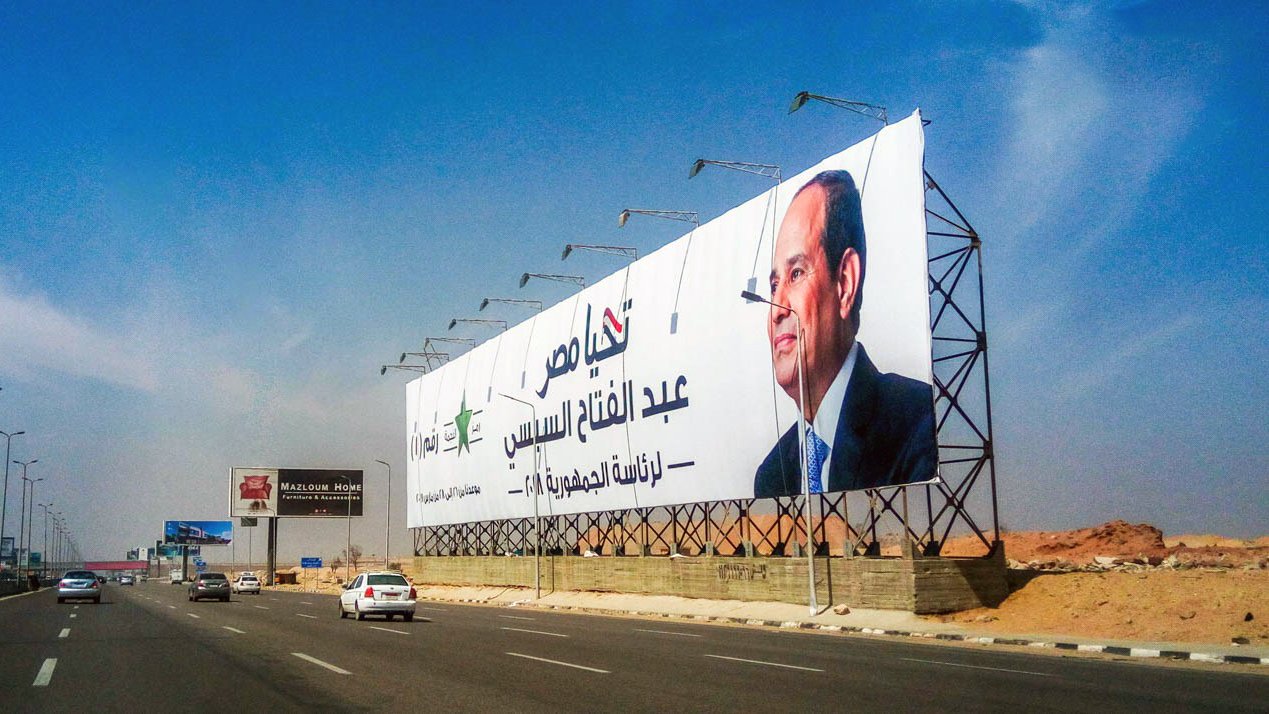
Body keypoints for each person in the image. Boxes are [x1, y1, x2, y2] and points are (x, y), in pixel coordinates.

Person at [754, 170, 937, 498]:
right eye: (773, 285)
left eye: (796, 274)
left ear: (845, 282)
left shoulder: (917, 426)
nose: (777, 309)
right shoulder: (773, 474)